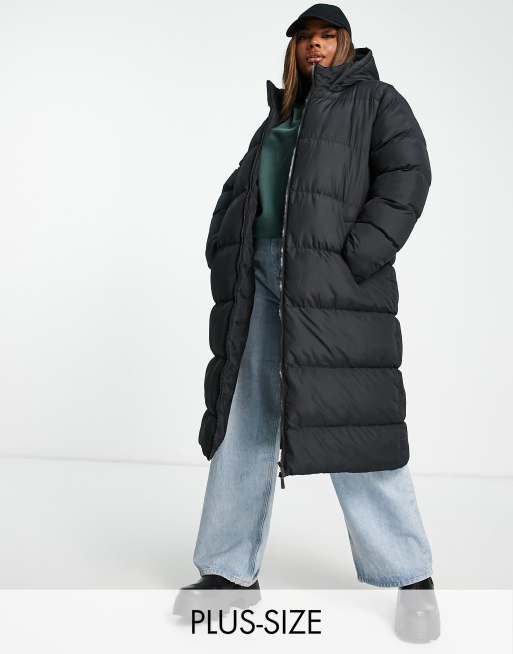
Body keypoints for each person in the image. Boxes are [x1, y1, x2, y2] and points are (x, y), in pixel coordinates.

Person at [174, 3, 440, 642]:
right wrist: (224, 241)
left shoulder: (377, 101)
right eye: (305, 39)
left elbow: (409, 176)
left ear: (345, 42)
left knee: (352, 424)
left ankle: (413, 580)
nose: (315, 46)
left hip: (332, 284)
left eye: (327, 36)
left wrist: (360, 255)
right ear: (293, 49)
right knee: (244, 418)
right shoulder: (281, 115)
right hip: (260, 279)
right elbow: (245, 190)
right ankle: (229, 574)